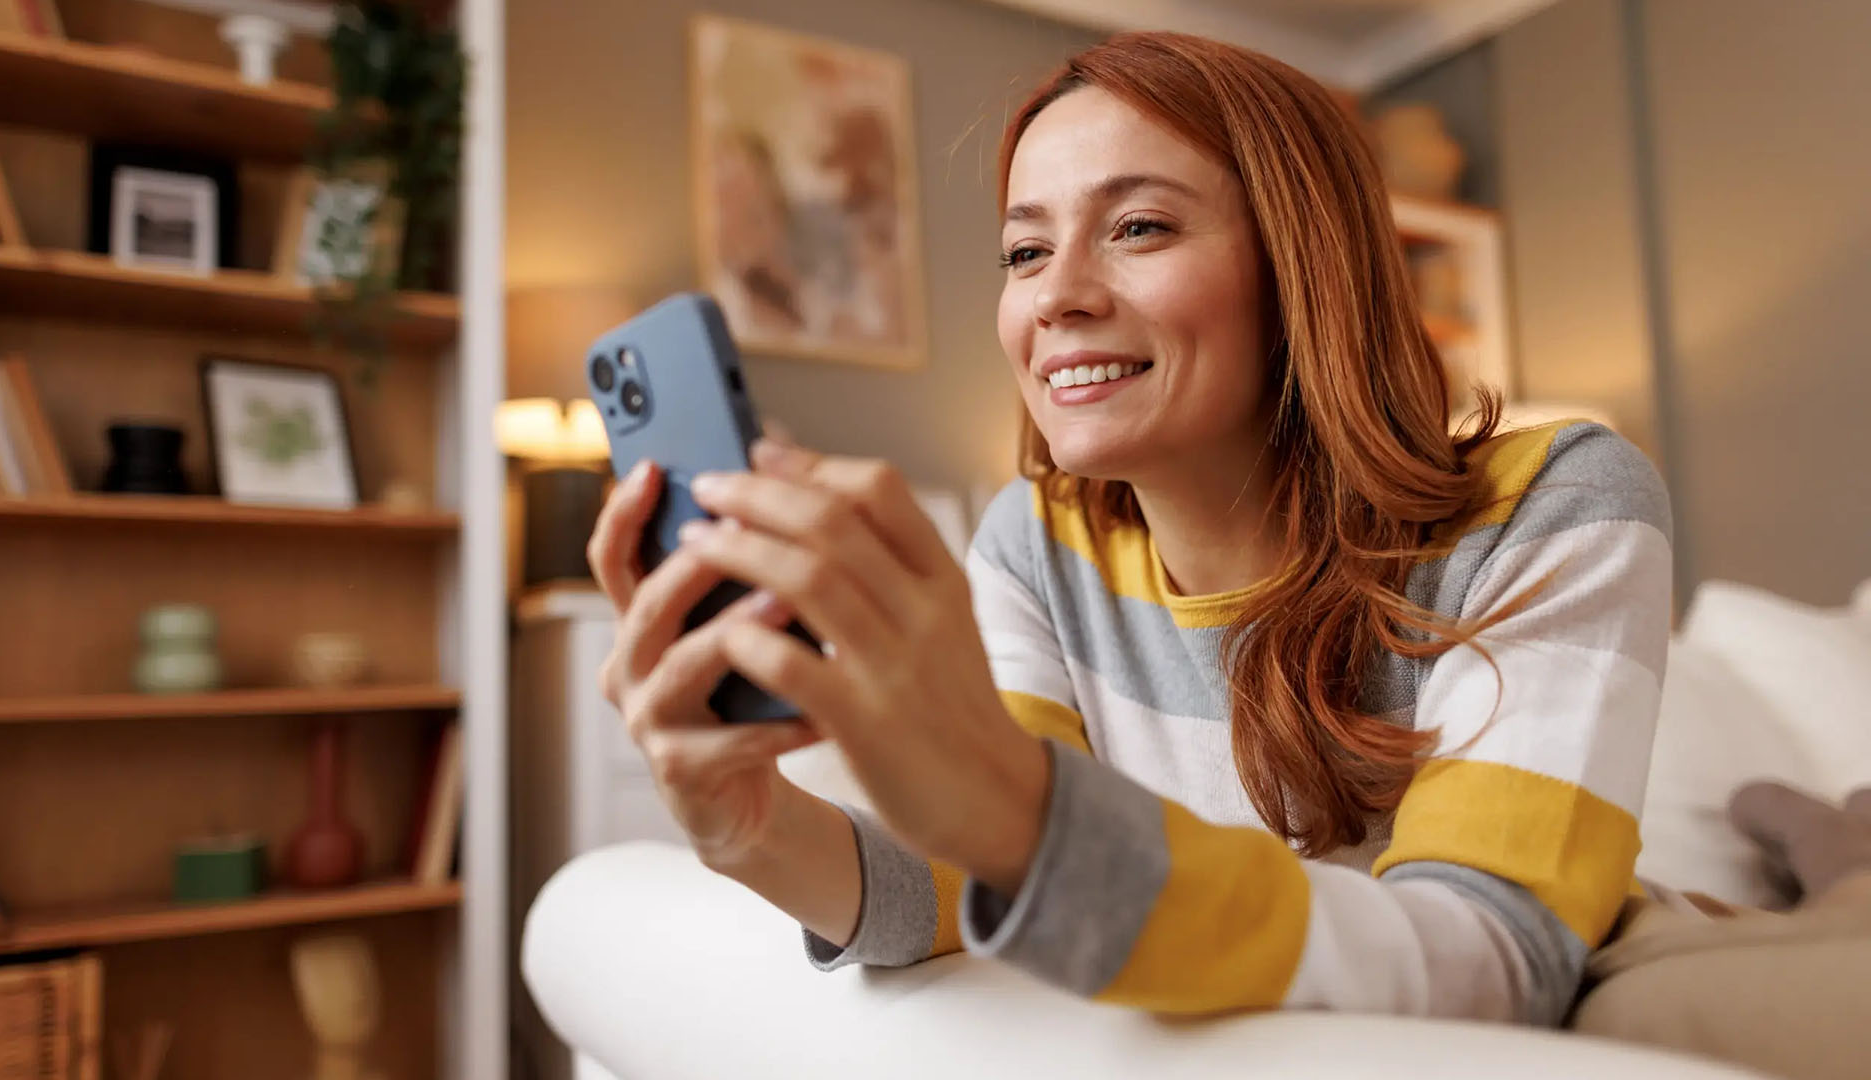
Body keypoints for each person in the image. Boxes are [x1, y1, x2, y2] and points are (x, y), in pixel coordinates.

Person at [590, 31, 1673, 1027]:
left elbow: (1490, 958)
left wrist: (1013, 810)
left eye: (1139, 226)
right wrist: (747, 825)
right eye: (1023, 253)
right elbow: (974, 881)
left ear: (1303, 267)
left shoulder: (1561, 502)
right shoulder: (1036, 543)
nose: (1055, 295)